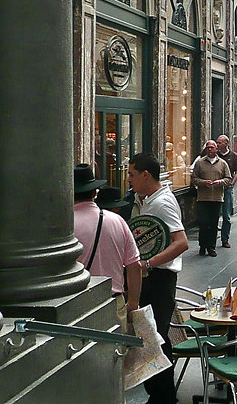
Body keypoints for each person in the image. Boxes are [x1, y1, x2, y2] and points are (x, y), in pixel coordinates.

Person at [128, 152, 189, 404]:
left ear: (145, 175)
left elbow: (182, 242)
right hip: (151, 278)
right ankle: (160, 394)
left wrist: (148, 263)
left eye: (132, 175)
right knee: (150, 337)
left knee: (156, 338)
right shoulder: (144, 200)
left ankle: (164, 397)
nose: (128, 180)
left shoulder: (162, 203)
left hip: (159, 279)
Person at [72, 165, 140, 331]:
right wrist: (132, 303)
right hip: (113, 302)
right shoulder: (117, 221)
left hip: (77, 305)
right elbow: (134, 265)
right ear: (95, 193)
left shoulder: (65, 227)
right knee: (116, 353)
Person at [191, 139, 231, 256]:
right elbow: (194, 178)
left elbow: (228, 178)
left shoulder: (222, 163)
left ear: (216, 149)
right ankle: (202, 246)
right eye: (207, 147)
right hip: (203, 198)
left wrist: (220, 182)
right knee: (203, 223)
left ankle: (211, 247)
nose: (209, 149)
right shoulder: (200, 163)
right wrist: (203, 182)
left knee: (213, 224)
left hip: (217, 198)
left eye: (212, 147)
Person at [216, 134, 237, 248]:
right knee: (214, 215)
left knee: (226, 215)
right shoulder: (214, 155)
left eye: (220, 142)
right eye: (217, 142)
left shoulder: (233, 156)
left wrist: (232, 183)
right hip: (214, 189)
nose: (217, 144)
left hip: (226, 189)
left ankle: (225, 239)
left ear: (226, 143)